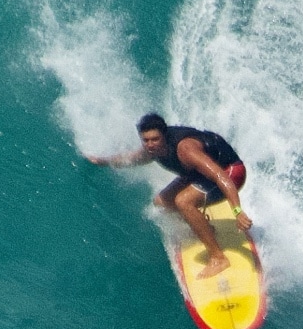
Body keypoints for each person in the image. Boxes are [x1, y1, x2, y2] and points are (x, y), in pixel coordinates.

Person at [90, 113, 251, 277]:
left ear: (164, 136)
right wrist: (103, 161)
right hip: (199, 174)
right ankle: (205, 227)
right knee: (161, 202)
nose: (151, 144)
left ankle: (219, 258)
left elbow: (219, 176)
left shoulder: (186, 149)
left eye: (155, 139)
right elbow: (132, 159)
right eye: (146, 140)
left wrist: (237, 211)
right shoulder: (152, 150)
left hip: (230, 172)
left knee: (183, 202)